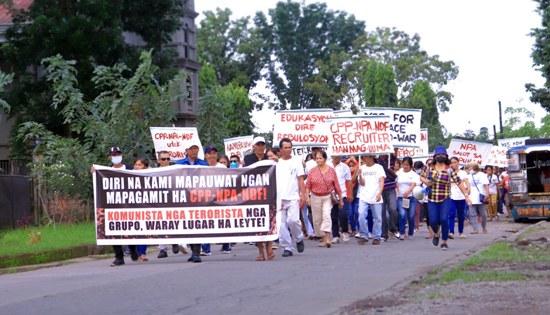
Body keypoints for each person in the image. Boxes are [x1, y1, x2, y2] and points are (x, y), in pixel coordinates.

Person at [420, 146, 471, 251]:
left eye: (443, 155)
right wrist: (426, 182)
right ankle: (437, 234)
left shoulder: (449, 169)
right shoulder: (428, 167)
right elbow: (421, 177)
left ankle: (444, 242)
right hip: (432, 198)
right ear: (434, 156)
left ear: (446, 156)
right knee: (433, 221)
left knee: (444, 219)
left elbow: (459, 182)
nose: (440, 157)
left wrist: (466, 196)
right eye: (438, 155)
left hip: (445, 198)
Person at [94, 146, 138, 267]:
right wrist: (95, 172)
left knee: (129, 230)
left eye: (118, 154)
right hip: (113, 206)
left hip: (129, 205)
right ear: (109, 157)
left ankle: (133, 249)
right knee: (114, 230)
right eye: (114, 155)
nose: (116, 157)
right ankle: (119, 257)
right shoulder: (105, 172)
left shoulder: (130, 169)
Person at [175, 140, 208, 263]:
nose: (194, 151)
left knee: (197, 225)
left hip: (199, 198)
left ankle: (196, 253)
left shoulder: (204, 164)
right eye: (191, 148)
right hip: (184, 199)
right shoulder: (179, 164)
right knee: (187, 225)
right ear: (186, 151)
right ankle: (193, 250)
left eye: (196, 148)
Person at [305, 150, 343, 248]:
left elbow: (337, 185)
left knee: (326, 215)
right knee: (317, 219)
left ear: (325, 159)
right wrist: (307, 198)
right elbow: (308, 185)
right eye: (317, 158)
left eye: (320, 158)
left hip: (327, 196)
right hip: (315, 197)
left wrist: (341, 199)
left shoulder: (331, 170)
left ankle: (327, 238)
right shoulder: (312, 171)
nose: (318, 160)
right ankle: (322, 237)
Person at [276, 137, 306, 257]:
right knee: (280, 224)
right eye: (285, 148)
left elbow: (300, 179)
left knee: (292, 220)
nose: (288, 150)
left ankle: (298, 238)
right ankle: (287, 247)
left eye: (289, 147)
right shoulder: (277, 163)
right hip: (279, 198)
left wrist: (303, 195)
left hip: (293, 196)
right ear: (281, 149)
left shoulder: (296, 162)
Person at [156, 150, 187, 259]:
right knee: (161, 224)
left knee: (174, 222)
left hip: (173, 200)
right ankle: (163, 249)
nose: (166, 161)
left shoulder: (174, 170)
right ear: (158, 160)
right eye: (163, 159)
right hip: (159, 201)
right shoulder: (154, 172)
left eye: (168, 159)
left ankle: (175, 242)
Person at [202, 145, 231, 255]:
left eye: (214, 153)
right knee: (205, 223)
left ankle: (226, 246)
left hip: (221, 198)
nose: (212, 155)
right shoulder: (202, 167)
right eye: (210, 153)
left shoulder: (222, 167)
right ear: (206, 155)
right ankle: (206, 249)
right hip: (206, 199)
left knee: (223, 222)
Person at [357, 155, 385, 245]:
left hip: (376, 194)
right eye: (364, 157)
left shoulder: (379, 167)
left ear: (371, 157)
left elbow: (381, 181)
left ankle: (377, 236)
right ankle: (364, 235)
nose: (364, 159)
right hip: (364, 195)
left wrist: (380, 192)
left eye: (366, 157)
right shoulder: (361, 168)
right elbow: (362, 183)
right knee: (361, 215)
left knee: (377, 218)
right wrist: (360, 175)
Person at [255, 149, 278, 261]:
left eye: (262, 145)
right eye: (258, 145)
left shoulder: (273, 162)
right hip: (254, 196)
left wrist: (276, 161)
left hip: (269, 195)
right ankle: (261, 252)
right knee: (256, 225)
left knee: (268, 224)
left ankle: (269, 248)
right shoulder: (251, 160)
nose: (270, 158)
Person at [132, 157, 152, 262]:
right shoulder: (128, 174)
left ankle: (142, 253)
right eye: (136, 165)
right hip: (132, 207)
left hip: (145, 208)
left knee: (143, 230)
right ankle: (133, 250)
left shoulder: (150, 175)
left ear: (145, 166)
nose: (137, 167)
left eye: (140, 165)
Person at [395, 157, 420, 240]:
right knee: (402, 214)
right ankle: (402, 232)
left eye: (407, 165)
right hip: (401, 197)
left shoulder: (414, 174)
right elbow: (396, 183)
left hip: (411, 197)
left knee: (411, 215)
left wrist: (408, 191)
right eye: (404, 164)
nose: (405, 166)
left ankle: (410, 233)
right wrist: (397, 190)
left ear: (410, 165)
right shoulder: (398, 173)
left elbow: (413, 184)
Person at [377, 153, 399, 241]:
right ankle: (384, 234)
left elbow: (395, 151)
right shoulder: (376, 161)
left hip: (391, 189)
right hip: (380, 190)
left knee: (393, 209)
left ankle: (393, 228)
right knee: (383, 213)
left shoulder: (391, 159)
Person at [330, 155, 352, 243]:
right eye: (336, 156)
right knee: (333, 216)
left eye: (339, 156)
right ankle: (335, 235)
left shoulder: (345, 167)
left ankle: (345, 231)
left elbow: (349, 181)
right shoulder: (328, 166)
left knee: (343, 213)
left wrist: (349, 193)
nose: (338, 158)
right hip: (330, 194)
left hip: (342, 194)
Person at [449, 157, 470, 239]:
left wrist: (467, 191)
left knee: (461, 215)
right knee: (451, 214)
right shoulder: (448, 172)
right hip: (451, 196)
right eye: (451, 162)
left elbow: (467, 182)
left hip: (461, 196)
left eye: (455, 162)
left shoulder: (463, 173)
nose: (453, 164)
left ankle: (461, 232)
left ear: (458, 162)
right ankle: (451, 232)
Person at [468, 163, 490, 234]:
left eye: (470, 167)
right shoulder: (468, 176)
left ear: (474, 168)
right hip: (471, 198)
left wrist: (487, 194)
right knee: (472, 214)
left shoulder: (482, 175)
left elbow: (486, 185)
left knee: (483, 214)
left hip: (481, 198)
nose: (469, 169)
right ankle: (475, 229)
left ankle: (484, 227)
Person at [345, 156, 360, 237]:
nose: (351, 167)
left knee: (357, 213)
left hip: (356, 195)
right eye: (349, 166)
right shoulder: (346, 174)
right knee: (350, 214)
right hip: (349, 196)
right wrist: (349, 160)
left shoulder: (357, 173)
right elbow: (344, 165)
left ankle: (358, 229)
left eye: (352, 166)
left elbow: (353, 179)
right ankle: (353, 229)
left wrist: (355, 161)